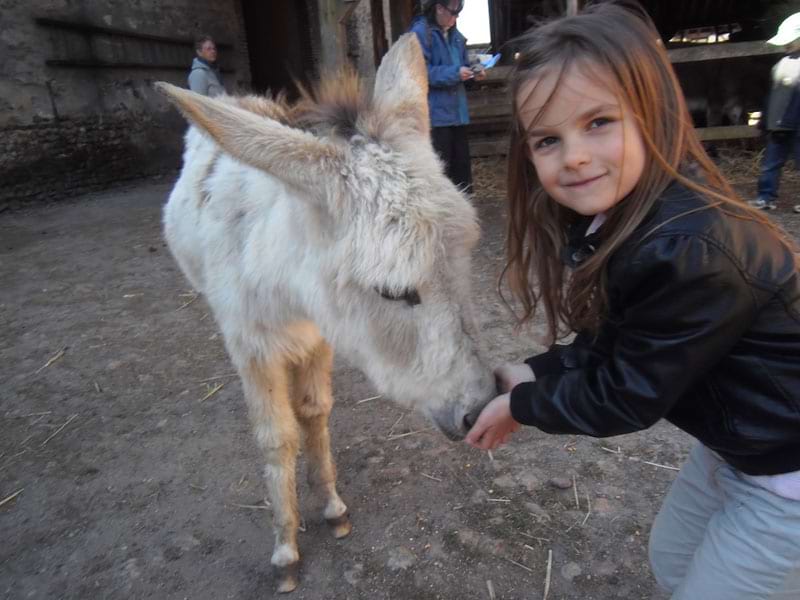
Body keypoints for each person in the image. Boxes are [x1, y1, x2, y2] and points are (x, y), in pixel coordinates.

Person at [464, 3, 800, 599]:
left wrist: (526, 405)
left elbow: (626, 394)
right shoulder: (623, 221)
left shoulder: (692, 248)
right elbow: (616, 341)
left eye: (598, 122)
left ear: (652, 113)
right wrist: (528, 373)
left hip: (787, 473)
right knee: (672, 558)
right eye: (548, 139)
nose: (573, 156)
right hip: (738, 445)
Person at [410, 0, 485, 193]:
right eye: (453, 12)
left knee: (462, 174)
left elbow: (463, 65)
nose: (456, 17)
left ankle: (464, 216)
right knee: (441, 175)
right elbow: (420, 72)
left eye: (459, 12)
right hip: (436, 118)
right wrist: (455, 73)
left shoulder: (455, 35)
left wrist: (474, 72)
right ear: (439, 8)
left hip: (458, 115)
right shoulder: (421, 33)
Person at [750, 13, 800, 212]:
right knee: (770, 163)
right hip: (778, 125)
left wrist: (787, 121)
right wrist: (765, 120)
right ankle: (765, 197)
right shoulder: (781, 64)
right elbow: (773, 95)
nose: (786, 46)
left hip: (795, 126)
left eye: (791, 41)